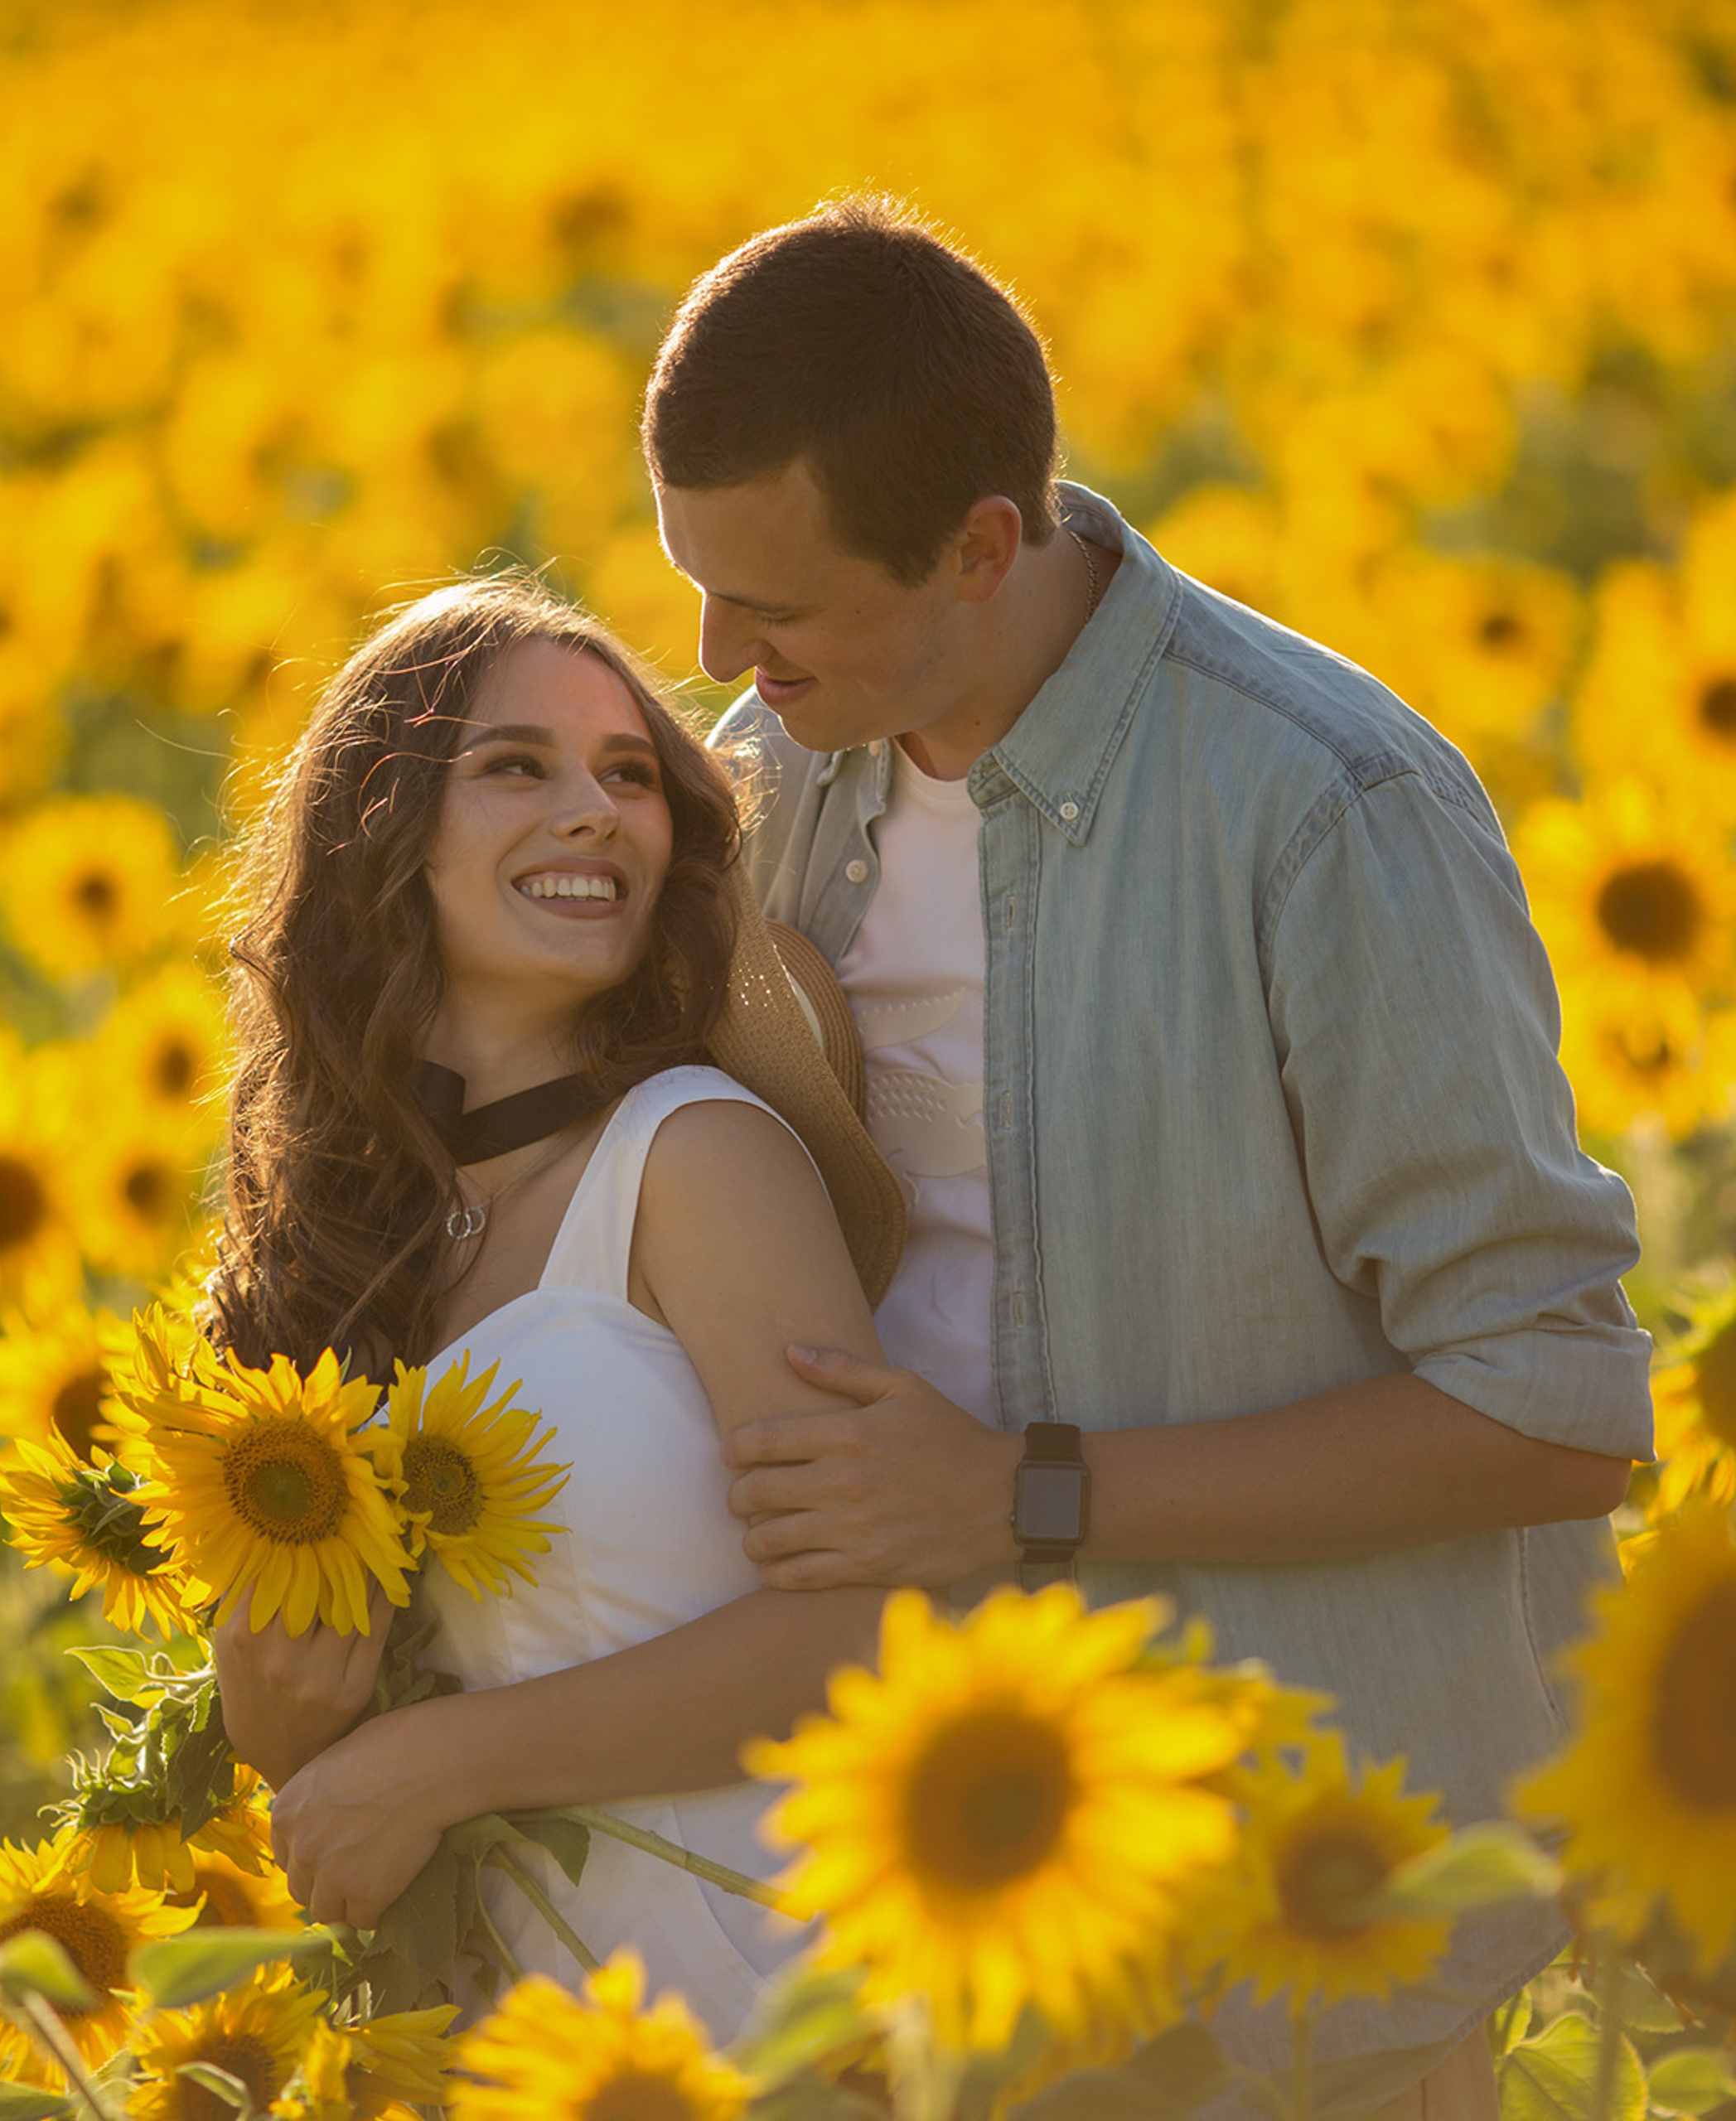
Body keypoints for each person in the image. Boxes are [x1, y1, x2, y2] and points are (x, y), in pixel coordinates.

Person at [643, 199, 1652, 2120]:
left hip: (1282, 1945)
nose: (715, 653)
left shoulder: (1318, 809)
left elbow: (1550, 1409)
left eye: (771, 605)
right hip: (924, 1915)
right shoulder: (775, 780)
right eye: (697, 588)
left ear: (977, 549)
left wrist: (1021, 1496)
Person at [206, 573, 907, 2041]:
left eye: (631, 776)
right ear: (378, 831)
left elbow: (862, 1624)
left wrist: (446, 1762)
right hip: (509, 2036)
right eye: (517, 766)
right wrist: (281, 1707)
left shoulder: (696, 1157)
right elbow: (298, 1743)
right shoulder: (340, 1241)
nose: (594, 811)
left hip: (778, 2001)